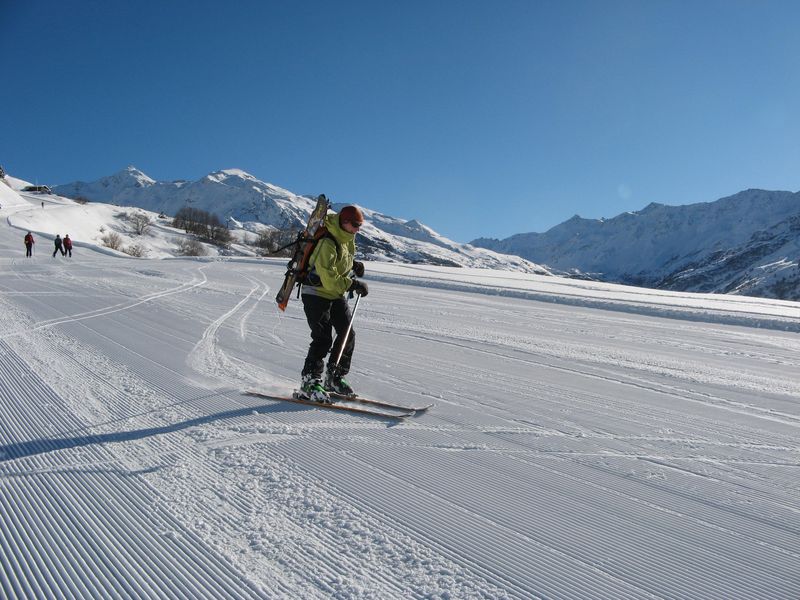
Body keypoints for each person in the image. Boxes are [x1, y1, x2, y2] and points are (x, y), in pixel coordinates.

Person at [298, 205, 369, 403]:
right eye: (355, 224)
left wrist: (354, 265)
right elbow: (328, 276)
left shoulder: (347, 240)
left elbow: (340, 260)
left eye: (360, 225)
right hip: (316, 292)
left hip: (334, 293)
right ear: (344, 222)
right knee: (322, 338)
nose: (357, 229)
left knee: (347, 334)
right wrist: (353, 283)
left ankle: (335, 377)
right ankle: (309, 382)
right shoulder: (328, 241)